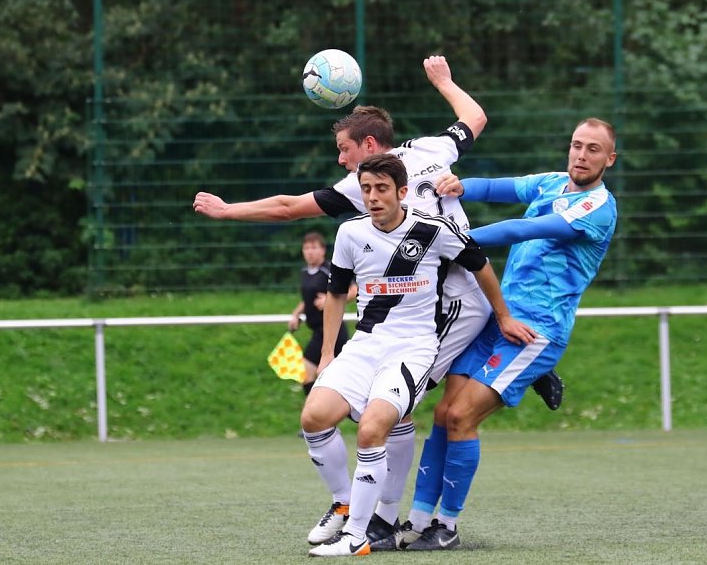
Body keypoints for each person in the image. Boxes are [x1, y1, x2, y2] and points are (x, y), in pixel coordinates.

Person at [194, 56, 559, 543]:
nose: (342, 160)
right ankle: (373, 512)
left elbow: (287, 208)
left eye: (344, 150)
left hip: (448, 298)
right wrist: (446, 83)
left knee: (390, 404)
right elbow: (475, 117)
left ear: (369, 146)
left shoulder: (362, 184)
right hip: (441, 293)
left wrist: (226, 211)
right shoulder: (430, 149)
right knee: (392, 406)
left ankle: (379, 518)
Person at [372, 118, 618, 551]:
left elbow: (522, 230)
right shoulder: (554, 183)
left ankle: (445, 528)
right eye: (577, 144)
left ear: (609, 159)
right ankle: (415, 524)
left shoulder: (598, 206)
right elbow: (496, 187)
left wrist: (448, 241)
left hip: (535, 329)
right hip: (498, 314)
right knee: (444, 414)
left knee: (463, 416)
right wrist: (459, 185)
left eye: (593, 149)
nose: (581, 154)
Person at [303, 154, 535, 557]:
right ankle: (344, 501)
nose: (373, 197)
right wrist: (327, 354)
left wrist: (503, 316)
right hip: (365, 345)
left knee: (373, 427)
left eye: (381, 189)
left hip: (414, 349)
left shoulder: (432, 230)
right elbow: (337, 294)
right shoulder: (349, 234)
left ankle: (358, 535)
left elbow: (480, 266)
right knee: (314, 418)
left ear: (402, 192)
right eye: (367, 189)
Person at [288, 231, 355, 396]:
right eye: (306, 248)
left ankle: (320, 416)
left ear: (323, 250)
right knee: (316, 376)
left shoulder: (329, 270)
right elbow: (309, 299)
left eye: (314, 247)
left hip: (332, 331)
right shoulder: (305, 272)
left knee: (309, 373)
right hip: (318, 331)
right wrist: (296, 314)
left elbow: (354, 289)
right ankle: (323, 417)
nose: (310, 251)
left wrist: (329, 300)